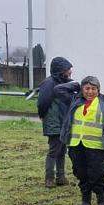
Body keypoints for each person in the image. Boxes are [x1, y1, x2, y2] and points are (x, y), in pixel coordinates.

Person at [59, 76, 104, 205]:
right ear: (82, 89)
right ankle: (85, 200)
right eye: (87, 88)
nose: (90, 92)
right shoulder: (74, 100)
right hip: (76, 144)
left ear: (98, 90)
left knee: (97, 174)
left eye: (93, 89)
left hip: (96, 146)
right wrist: (76, 86)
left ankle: (102, 201)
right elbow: (58, 90)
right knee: (81, 173)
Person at [36, 56, 74, 188]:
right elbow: (43, 102)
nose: (70, 71)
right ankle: (49, 178)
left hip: (63, 121)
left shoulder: (65, 82)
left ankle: (61, 177)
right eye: (68, 69)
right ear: (61, 70)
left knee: (62, 150)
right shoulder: (49, 83)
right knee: (54, 150)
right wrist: (42, 115)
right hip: (54, 122)